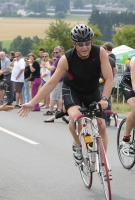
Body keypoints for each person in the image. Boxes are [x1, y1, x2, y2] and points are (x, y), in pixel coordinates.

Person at [19, 24, 113, 167]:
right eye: (80, 44)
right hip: (72, 90)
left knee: (102, 126)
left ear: (92, 42)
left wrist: (104, 98)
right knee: (76, 118)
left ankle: (103, 163)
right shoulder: (66, 59)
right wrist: (32, 103)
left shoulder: (100, 52)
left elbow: (109, 78)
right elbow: (51, 83)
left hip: (92, 90)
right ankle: (77, 143)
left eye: (87, 43)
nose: (84, 47)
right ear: (73, 43)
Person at [45, 46, 64, 115]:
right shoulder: (62, 59)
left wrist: (46, 66)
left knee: (53, 95)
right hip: (60, 79)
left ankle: (50, 110)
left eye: (57, 52)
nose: (55, 53)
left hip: (56, 79)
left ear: (61, 52)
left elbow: (52, 69)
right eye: (54, 52)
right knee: (59, 96)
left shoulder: (58, 60)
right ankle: (59, 110)